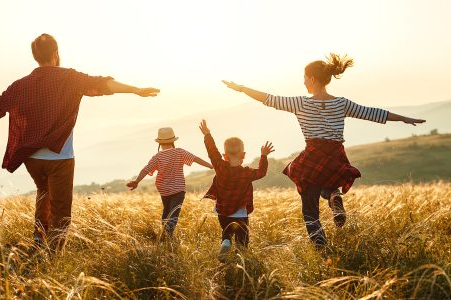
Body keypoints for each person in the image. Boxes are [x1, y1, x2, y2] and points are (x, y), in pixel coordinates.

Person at [0, 33, 160, 251]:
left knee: (43, 194)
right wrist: (136, 90)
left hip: (32, 159)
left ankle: (38, 241)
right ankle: (53, 254)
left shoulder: (20, 86)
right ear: (56, 53)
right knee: (61, 209)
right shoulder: (70, 78)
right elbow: (102, 84)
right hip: (60, 158)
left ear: (36, 56)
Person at [221, 53, 425, 249]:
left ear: (311, 78)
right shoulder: (341, 103)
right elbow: (373, 113)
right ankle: (334, 196)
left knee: (309, 209)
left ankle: (322, 248)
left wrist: (241, 88)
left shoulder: (301, 103)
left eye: (304, 78)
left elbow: (268, 99)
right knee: (328, 182)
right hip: (336, 156)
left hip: (313, 156)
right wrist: (405, 118)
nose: (303, 82)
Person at [198, 119, 273, 260]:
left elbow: (212, 151)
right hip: (240, 212)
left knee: (226, 232)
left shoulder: (220, 167)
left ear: (224, 156)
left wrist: (207, 134)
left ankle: (226, 241)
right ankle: (240, 258)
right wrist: (263, 156)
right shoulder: (247, 173)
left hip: (222, 211)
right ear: (243, 155)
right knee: (242, 238)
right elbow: (262, 172)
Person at [126, 127, 213, 240]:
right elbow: (195, 159)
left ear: (159, 143)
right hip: (178, 189)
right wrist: (211, 165)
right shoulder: (179, 152)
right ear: (173, 141)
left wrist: (137, 181)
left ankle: (164, 235)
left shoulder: (157, 157)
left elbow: (146, 169)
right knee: (174, 213)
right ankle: (167, 236)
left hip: (164, 190)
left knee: (166, 211)